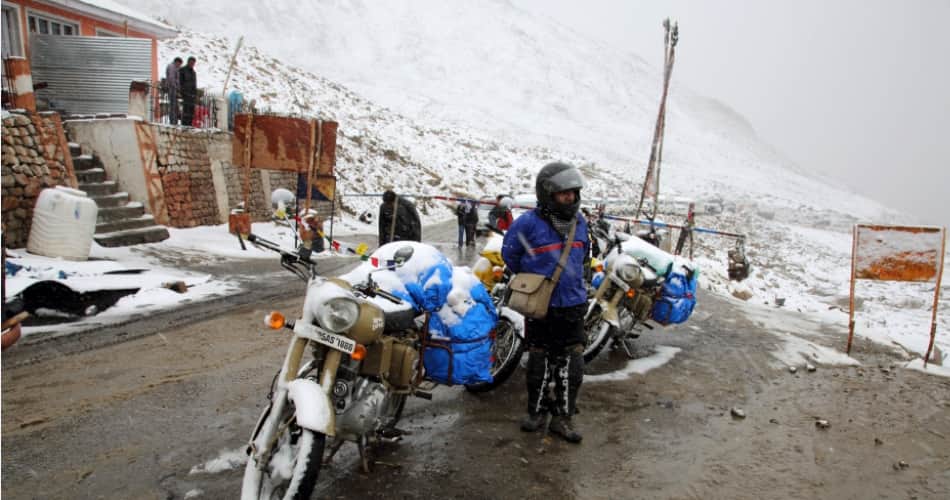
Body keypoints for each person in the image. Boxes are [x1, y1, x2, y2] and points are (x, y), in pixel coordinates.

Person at [501, 162, 589, 443]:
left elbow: (585, 256)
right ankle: (536, 411)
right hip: (540, 306)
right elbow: (511, 256)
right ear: (547, 194)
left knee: (572, 363)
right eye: (564, 194)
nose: (570, 199)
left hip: (573, 304)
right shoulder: (526, 224)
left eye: (574, 193)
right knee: (538, 358)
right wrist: (536, 279)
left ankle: (563, 419)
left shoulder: (581, 223)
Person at [179, 56, 198, 127]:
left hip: (192, 95)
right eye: (191, 62)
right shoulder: (182, 70)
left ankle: (189, 125)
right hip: (185, 94)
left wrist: (195, 94)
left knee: (191, 111)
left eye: (193, 63)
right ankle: (184, 125)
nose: (192, 64)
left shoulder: (193, 72)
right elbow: (180, 81)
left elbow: (194, 84)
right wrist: (182, 91)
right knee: (186, 110)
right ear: (188, 62)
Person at [164, 57, 182, 124]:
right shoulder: (172, 67)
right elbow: (171, 79)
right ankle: (173, 121)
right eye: (179, 64)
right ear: (177, 62)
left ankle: (175, 120)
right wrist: (176, 87)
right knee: (173, 106)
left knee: (175, 105)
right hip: (172, 88)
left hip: (173, 88)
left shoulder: (174, 67)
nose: (179, 66)